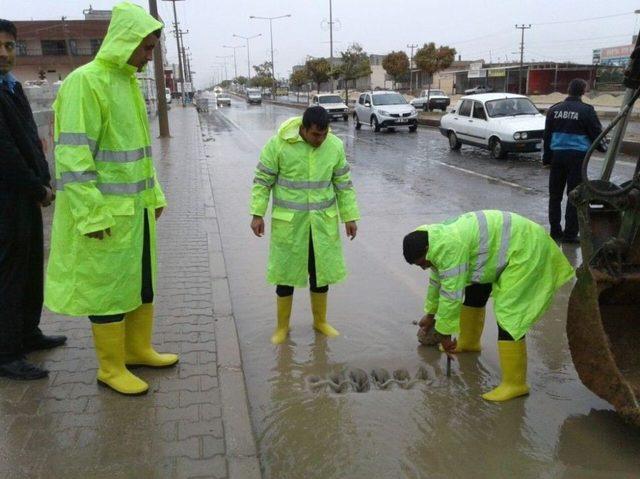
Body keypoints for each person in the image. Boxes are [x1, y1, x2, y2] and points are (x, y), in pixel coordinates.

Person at [44, 2, 177, 396]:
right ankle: (110, 367)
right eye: (147, 48)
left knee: (140, 283)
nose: (149, 56)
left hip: (135, 214)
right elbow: (72, 155)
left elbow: (138, 154)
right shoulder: (86, 83)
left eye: (153, 49)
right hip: (105, 217)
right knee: (108, 292)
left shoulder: (126, 84)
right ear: (127, 41)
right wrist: (91, 215)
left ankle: (137, 350)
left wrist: (155, 194)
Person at [403, 210, 574, 401]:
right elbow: (438, 281)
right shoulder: (434, 243)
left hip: (525, 249)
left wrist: (444, 334)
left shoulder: (449, 247)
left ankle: (515, 384)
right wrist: (431, 314)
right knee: (475, 288)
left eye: (422, 263)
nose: (424, 267)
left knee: (509, 314)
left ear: (427, 248)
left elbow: (451, 296)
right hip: (498, 249)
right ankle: (469, 342)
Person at [250, 106, 360, 344]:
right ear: (303, 129)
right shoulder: (278, 145)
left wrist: (349, 217)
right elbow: (262, 181)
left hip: (321, 224)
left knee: (320, 274)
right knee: (285, 274)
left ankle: (320, 321)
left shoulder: (334, 146)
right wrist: (257, 214)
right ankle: (282, 327)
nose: (320, 140)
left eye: (324, 134)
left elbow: (343, 184)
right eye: (315, 135)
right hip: (290, 225)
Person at [0, 19, 67, 380]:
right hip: (7, 200)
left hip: (24, 198)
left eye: (9, 46)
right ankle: (7, 353)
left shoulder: (11, 87)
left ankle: (28, 332)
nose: (3, 53)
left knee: (28, 270)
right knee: (9, 274)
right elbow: (5, 154)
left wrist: (43, 179)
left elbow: (29, 140)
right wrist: (37, 188)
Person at [543, 78, 604, 243]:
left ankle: (555, 231)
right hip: (577, 159)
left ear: (569, 90)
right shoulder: (586, 110)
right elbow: (597, 134)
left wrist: (546, 159)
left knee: (555, 196)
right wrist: (604, 148)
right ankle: (570, 234)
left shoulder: (554, 110)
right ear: (583, 91)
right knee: (574, 195)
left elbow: (547, 136)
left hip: (557, 157)